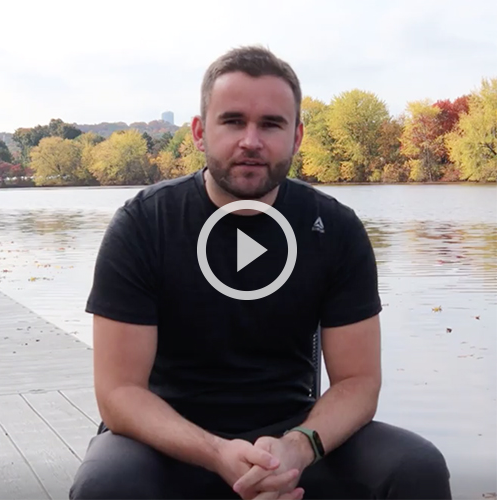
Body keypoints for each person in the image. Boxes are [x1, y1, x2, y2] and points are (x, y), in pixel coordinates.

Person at [69, 46, 452, 500]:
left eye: (271, 124)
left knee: (415, 467)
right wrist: (215, 452)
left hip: (292, 440)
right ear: (198, 132)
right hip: (169, 442)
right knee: (105, 486)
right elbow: (118, 393)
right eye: (232, 121)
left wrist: (299, 448)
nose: (251, 140)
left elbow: (358, 381)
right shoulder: (144, 224)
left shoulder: (335, 229)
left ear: (296, 137)